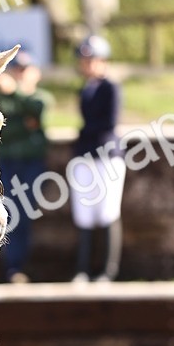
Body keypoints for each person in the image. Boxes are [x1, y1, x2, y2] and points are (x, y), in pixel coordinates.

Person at [69, 35, 125, 283]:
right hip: (86, 155)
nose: (88, 64)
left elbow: (108, 122)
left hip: (106, 154)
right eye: (85, 60)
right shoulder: (85, 89)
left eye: (92, 59)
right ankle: (83, 268)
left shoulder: (110, 87)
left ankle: (107, 270)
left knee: (108, 211)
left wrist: (84, 132)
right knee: (84, 213)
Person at [0, 49, 49, 283]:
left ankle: (18, 266)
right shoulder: (1, 99)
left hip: (31, 164)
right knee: (8, 213)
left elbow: (38, 108)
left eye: (25, 69)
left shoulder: (40, 97)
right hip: (7, 163)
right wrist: (22, 123)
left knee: (24, 213)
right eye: (16, 69)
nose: (20, 74)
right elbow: (5, 130)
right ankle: (11, 267)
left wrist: (16, 93)